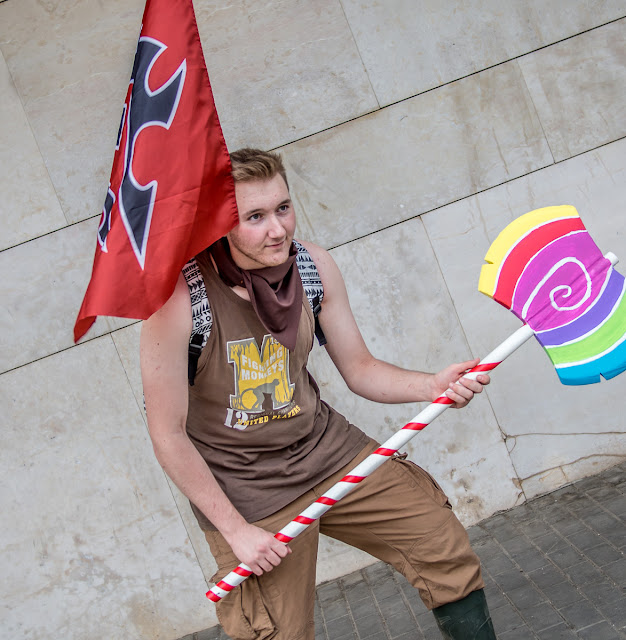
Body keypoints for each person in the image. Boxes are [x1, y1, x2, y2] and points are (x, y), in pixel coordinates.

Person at [140, 148, 496, 640]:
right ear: (219, 223)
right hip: (246, 491)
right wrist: (236, 531)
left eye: (282, 208)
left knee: (439, 543)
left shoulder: (312, 267)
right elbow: (167, 436)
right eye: (255, 217)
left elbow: (361, 369)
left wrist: (431, 386)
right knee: (275, 632)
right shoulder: (181, 299)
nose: (277, 229)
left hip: (327, 452)